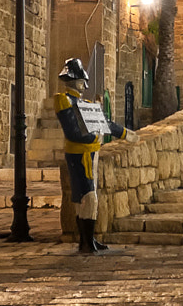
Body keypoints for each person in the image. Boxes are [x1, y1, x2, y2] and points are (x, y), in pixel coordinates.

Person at [52, 57, 131, 255]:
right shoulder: (65, 100)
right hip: (81, 154)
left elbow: (105, 123)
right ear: (78, 81)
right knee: (87, 197)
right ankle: (86, 242)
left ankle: (88, 240)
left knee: (85, 198)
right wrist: (94, 136)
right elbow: (73, 132)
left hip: (89, 154)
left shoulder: (82, 102)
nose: (84, 85)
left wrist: (125, 133)